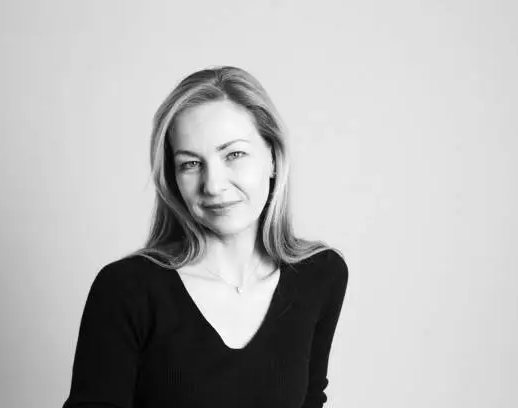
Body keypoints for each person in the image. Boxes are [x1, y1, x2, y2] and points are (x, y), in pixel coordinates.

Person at [62, 66, 349, 408]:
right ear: (173, 176)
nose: (213, 185)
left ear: (272, 157)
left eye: (234, 155)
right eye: (190, 164)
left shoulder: (320, 275)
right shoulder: (126, 290)